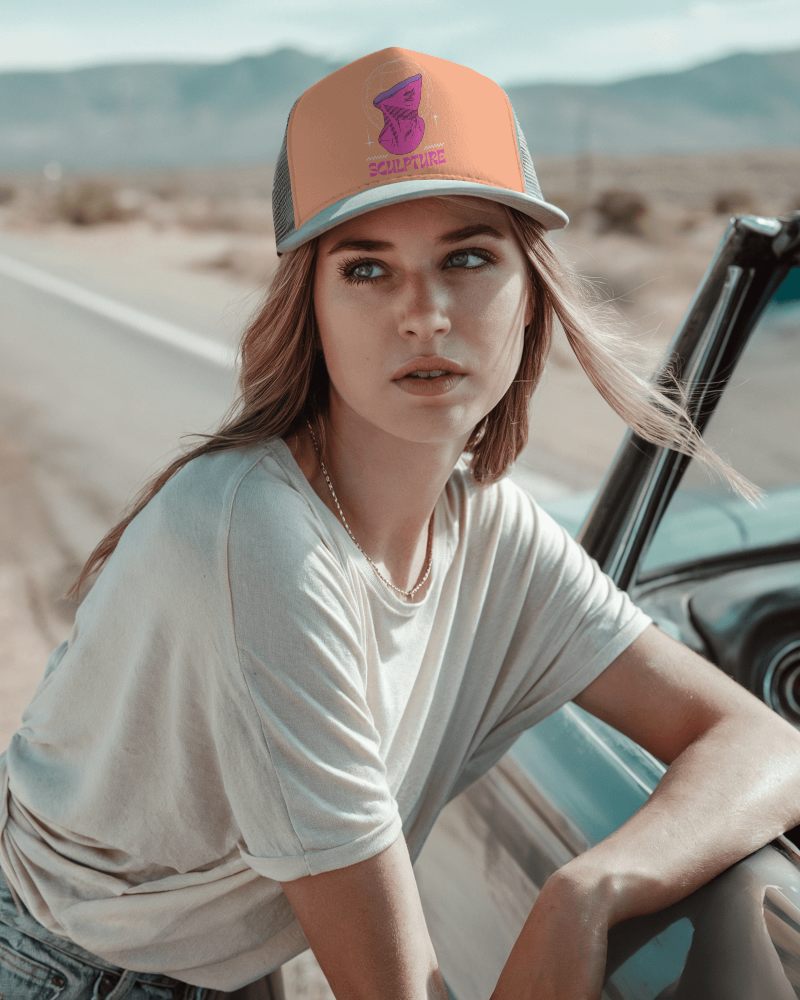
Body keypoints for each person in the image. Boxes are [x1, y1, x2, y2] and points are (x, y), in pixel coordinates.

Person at [2, 43, 800, 1000]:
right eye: (368, 270)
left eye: (467, 257)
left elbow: (762, 742)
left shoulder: (491, 526)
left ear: (530, 292)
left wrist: (587, 895)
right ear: (314, 309)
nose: (424, 314)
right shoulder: (253, 537)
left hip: (213, 959)